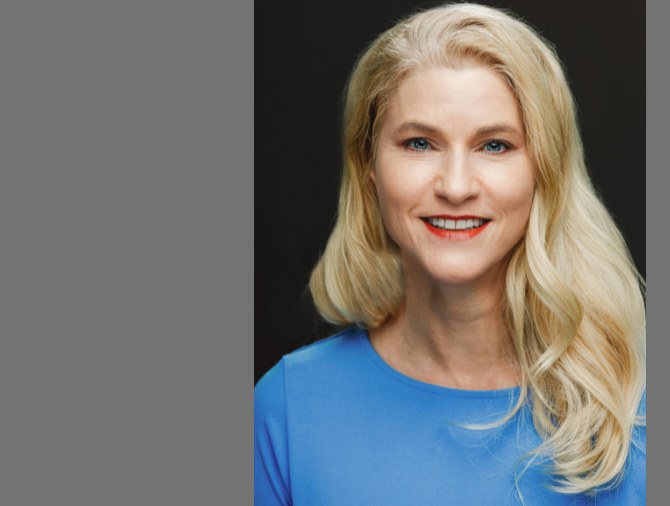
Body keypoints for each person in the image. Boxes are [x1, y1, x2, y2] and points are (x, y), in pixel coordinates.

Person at [255, 3, 645, 504]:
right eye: (419, 143)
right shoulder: (287, 410)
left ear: (543, 172)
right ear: (370, 166)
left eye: (495, 146)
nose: (456, 186)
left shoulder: (634, 407)